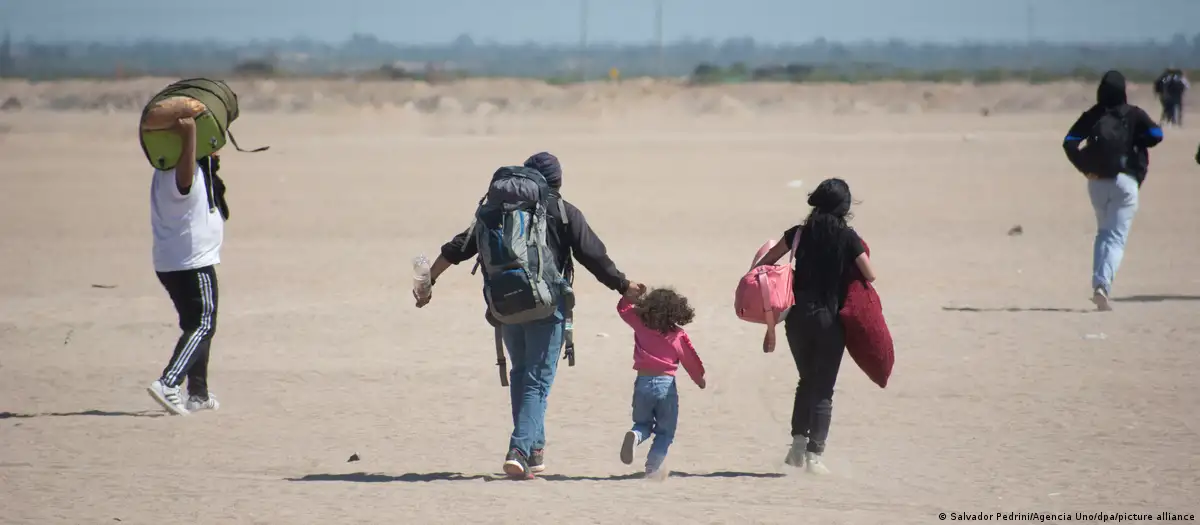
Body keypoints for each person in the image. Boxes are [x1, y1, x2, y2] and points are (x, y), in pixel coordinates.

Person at [416, 152, 642, 479]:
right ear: (557, 181)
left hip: (505, 305)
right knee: (536, 381)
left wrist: (428, 283)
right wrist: (623, 285)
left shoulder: (495, 211)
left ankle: (534, 451)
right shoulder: (564, 211)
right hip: (547, 306)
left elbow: (457, 248)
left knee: (522, 375)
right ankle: (519, 450)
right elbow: (594, 255)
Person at [751, 178, 875, 475]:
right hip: (830, 320)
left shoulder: (797, 235)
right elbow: (870, 275)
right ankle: (814, 456)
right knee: (823, 389)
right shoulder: (848, 237)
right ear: (844, 207)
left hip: (797, 319)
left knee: (806, 380)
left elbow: (763, 265)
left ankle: (796, 446)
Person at [146, 116, 227, 415]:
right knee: (204, 323)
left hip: (171, 262)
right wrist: (191, 131)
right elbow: (187, 171)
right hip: (191, 262)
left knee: (195, 324)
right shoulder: (182, 175)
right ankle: (169, 383)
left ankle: (198, 393)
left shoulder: (161, 169)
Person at [1063, 70, 1163, 311]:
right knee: (1116, 237)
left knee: (1104, 233)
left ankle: (1099, 283)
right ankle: (1103, 286)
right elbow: (1157, 134)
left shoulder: (1093, 115)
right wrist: (1136, 136)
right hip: (1125, 182)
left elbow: (1069, 141)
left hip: (1096, 181)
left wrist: (1084, 167)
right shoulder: (1134, 114)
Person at [616, 284, 706, 479]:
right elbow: (690, 359)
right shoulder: (677, 335)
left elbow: (623, 310)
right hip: (666, 384)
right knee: (665, 431)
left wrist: (629, 296)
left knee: (642, 423)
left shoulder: (640, 324)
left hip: (642, 382)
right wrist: (699, 379)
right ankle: (652, 467)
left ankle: (636, 436)